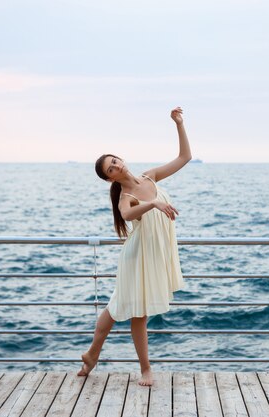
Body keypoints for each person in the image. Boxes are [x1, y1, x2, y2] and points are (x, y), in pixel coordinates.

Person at [79, 106, 192, 386]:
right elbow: (127, 215)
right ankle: (145, 370)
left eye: (115, 160)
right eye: (110, 168)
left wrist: (178, 123)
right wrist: (153, 203)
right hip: (137, 257)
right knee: (137, 313)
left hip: (152, 254)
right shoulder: (125, 196)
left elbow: (185, 157)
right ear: (110, 178)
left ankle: (92, 355)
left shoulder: (150, 176)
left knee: (117, 307)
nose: (116, 166)